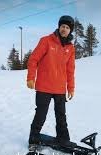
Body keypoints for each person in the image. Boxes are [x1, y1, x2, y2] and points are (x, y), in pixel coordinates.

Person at [26, 15, 76, 148]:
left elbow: (70, 70)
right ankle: (33, 139)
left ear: (70, 31)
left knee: (61, 116)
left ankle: (63, 139)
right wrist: (31, 77)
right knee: (41, 114)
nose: (64, 29)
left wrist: (71, 88)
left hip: (60, 89)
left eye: (67, 27)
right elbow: (33, 59)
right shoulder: (46, 41)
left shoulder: (70, 48)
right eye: (63, 26)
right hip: (44, 87)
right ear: (59, 27)